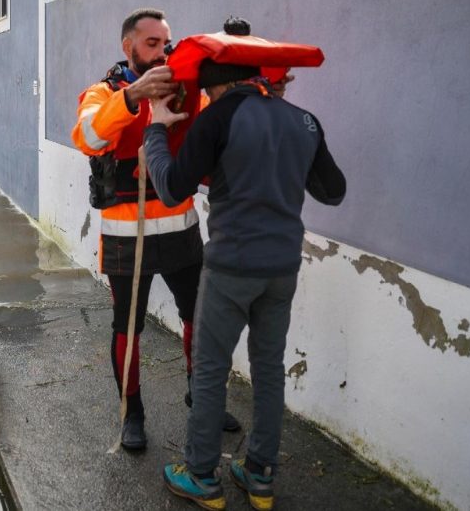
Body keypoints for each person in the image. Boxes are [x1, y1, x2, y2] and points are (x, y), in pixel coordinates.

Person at [145, 54, 346, 510]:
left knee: (212, 368)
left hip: (232, 268)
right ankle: (260, 475)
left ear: (215, 87)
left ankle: (201, 476)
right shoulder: (304, 120)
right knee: (269, 369)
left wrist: (156, 129)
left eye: (205, 93)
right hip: (281, 269)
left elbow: (172, 187)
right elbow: (333, 192)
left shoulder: (219, 116)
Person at [71, 8, 240, 451]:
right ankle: (133, 412)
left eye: (167, 43)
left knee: (198, 319)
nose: (163, 51)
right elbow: (87, 136)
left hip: (182, 227)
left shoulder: (185, 91)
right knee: (128, 328)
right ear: (128, 47)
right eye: (152, 44)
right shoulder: (102, 92)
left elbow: (213, 129)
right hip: (127, 236)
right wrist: (132, 98)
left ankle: (201, 397)